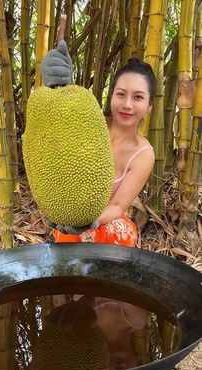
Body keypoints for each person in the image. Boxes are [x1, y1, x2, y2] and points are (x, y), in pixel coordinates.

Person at [41, 41, 156, 247]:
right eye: (121, 94)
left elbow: (118, 206)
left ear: (149, 106)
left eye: (138, 97)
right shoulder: (89, 124)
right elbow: (55, 126)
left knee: (107, 234)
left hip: (110, 225)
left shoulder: (143, 154)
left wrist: (87, 223)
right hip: (70, 218)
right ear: (112, 95)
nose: (127, 104)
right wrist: (57, 85)